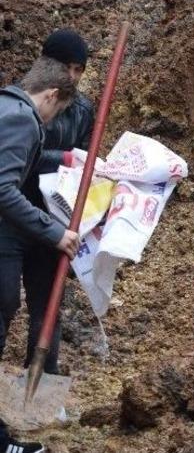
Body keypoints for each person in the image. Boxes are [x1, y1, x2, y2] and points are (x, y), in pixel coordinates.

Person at [0, 56, 81, 453]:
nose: (50, 123)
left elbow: (25, 159)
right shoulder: (21, 119)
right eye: (55, 112)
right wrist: (56, 233)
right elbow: (3, 188)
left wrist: (70, 159)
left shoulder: (5, 107)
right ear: (51, 95)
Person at [19, 31, 95, 377]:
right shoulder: (21, 102)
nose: (74, 77)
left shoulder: (82, 110)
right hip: (13, 211)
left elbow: (85, 160)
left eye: (79, 69)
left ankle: (40, 378)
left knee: (47, 306)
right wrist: (64, 158)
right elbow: (20, 158)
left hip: (54, 220)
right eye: (68, 67)